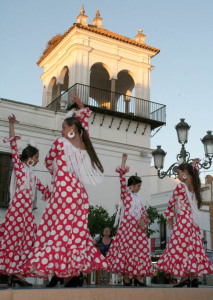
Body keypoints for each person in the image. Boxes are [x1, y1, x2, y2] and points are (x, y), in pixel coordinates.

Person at [21, 96, 107, 287]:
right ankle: (71, 273)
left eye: (64, 127)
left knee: (57, 232)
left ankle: (61, 273)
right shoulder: (84, 144)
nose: (61, 130)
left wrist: (56, 172)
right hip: (79, 195)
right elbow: (85, 127)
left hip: (64, 194)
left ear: (71, 129)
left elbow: (47, 161)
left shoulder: (61, 143)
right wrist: (82, 108)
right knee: (75, 234)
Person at [0, 114, 50, 287]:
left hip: (26, 214)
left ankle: (18, 274)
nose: (37, 161)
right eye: (36, 158)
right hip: (16, 212)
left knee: (27, 241)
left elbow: (43, 188)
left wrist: (52, 191)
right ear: (29, 157)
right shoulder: (20, 167)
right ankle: (11, 274)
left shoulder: (33, 174)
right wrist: (11, 124)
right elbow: (13, 146)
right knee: (12, 241)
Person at [155, 160, 213, 287]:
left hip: (182, 222)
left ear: (185, 173)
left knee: (180, 249)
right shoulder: (193, 187)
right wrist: (193, 165)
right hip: (192, 224)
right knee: (191, 248)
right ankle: (192, 277)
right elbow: (194, 174)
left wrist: (170, 217)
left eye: (179, 173)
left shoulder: (180, 187)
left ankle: (185, 277)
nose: (178, 176)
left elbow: (171, 201)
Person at [106, 153, 153, 286]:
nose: (139, 188)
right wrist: (123, 161)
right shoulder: (126, 195)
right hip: (127, 229)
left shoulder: (138, 199)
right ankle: (127, 278)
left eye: (140, 186)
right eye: (138, 186)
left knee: (138, 252)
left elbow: (143, 212)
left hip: (137, 230)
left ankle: (138, 277)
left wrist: (144, 220)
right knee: (127, 251)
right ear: (131, 185)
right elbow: (121, 179)